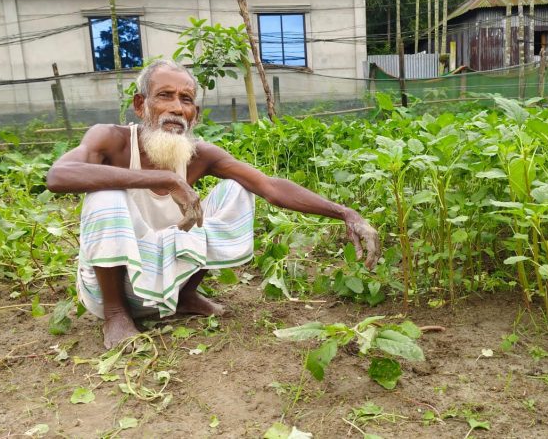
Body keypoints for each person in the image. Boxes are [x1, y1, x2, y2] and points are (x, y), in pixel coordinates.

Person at [46, 59, 380, 349]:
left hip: (166, 280)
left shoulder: (200, 155)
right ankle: (117, 318)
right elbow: (59, 176)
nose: (177, 107)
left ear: (196, 114)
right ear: (140, 104)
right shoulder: (111, 139)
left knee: (236, 191)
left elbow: (270, 187)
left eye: (186, 99)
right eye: (165, 96)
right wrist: (163, 179)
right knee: (104, 194)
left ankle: (185, 296)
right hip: (111, 291)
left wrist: (345, 212)